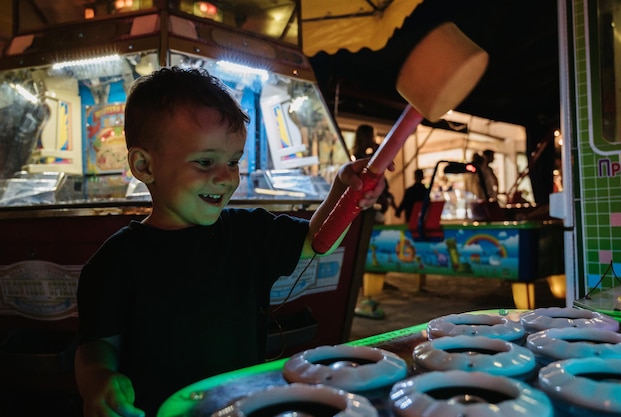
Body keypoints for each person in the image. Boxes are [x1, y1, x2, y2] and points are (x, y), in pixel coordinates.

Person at [74, 67, 390, 417]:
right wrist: (98, 381)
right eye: (205, 161)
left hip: (244, 408)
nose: (225, 177)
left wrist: (344, 191)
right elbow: (97, 346)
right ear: (144, 165)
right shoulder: (114, 263)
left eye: (233, 161)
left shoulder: (247, 233)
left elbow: (318, 239)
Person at [350, 124, 396, 224]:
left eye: (371, 137)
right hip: (363, 200)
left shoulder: (373, 153)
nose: (371, 140)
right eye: (368, 137)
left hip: (377, 200)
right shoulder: (356, 158)